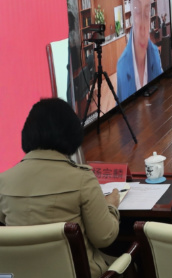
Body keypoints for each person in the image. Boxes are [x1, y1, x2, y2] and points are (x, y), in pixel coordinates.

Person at [0, 99, 121, 278]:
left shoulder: (4, 181)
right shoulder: (81, 179)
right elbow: (104, 237)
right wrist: (111, 206)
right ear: (72, 133)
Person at [116, 0, 164, 102]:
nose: (144, 28)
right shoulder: (122, 67)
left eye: (147, 11)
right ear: (130, 3)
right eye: (137, 10)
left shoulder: (155, 56)